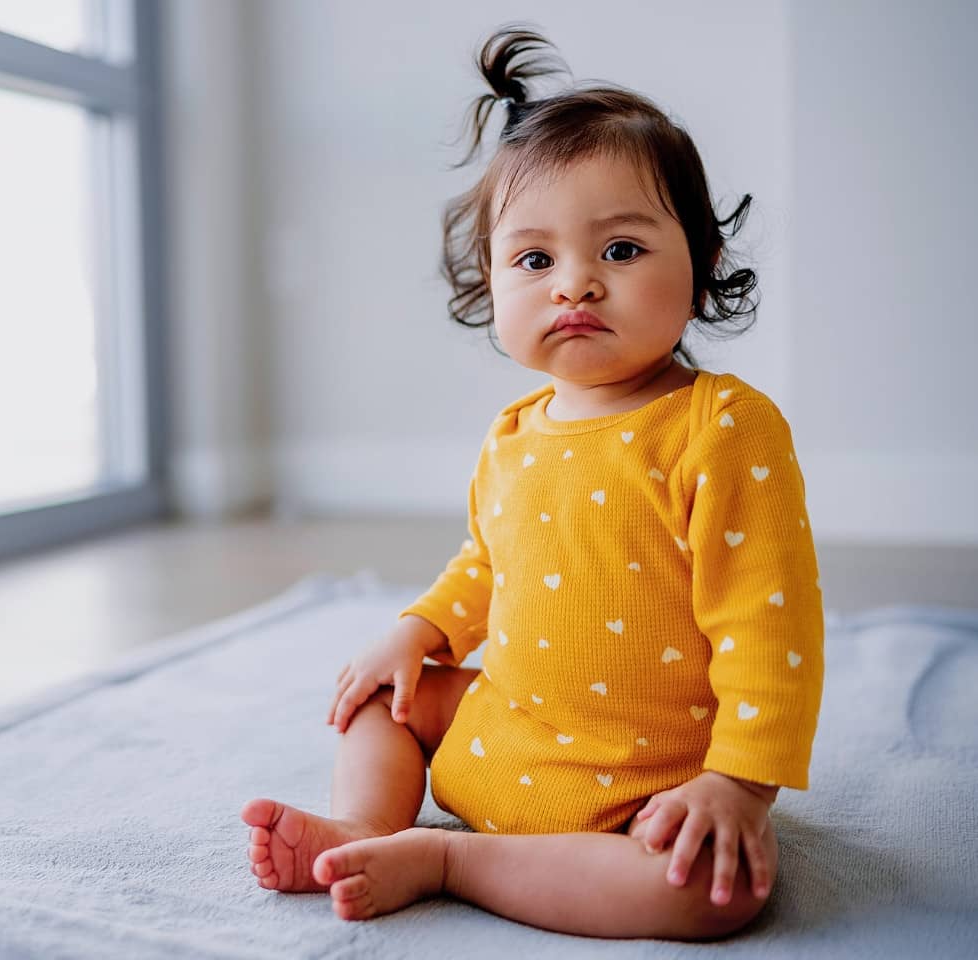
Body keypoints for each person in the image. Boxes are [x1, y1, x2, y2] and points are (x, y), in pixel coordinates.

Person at [240, 24, 824, 941]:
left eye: (621, 252)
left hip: (652, 780)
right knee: (375, 700)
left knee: (716, 892)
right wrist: (419, 629)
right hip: (505, 723)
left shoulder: (720, 427)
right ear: (492, 281)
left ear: (703, 262)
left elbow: (769, 622)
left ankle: (447, 859)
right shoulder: (514, 433)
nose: (576, 286)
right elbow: (488, 563)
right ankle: (363, 827)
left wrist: (739, 783)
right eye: (535, 259)